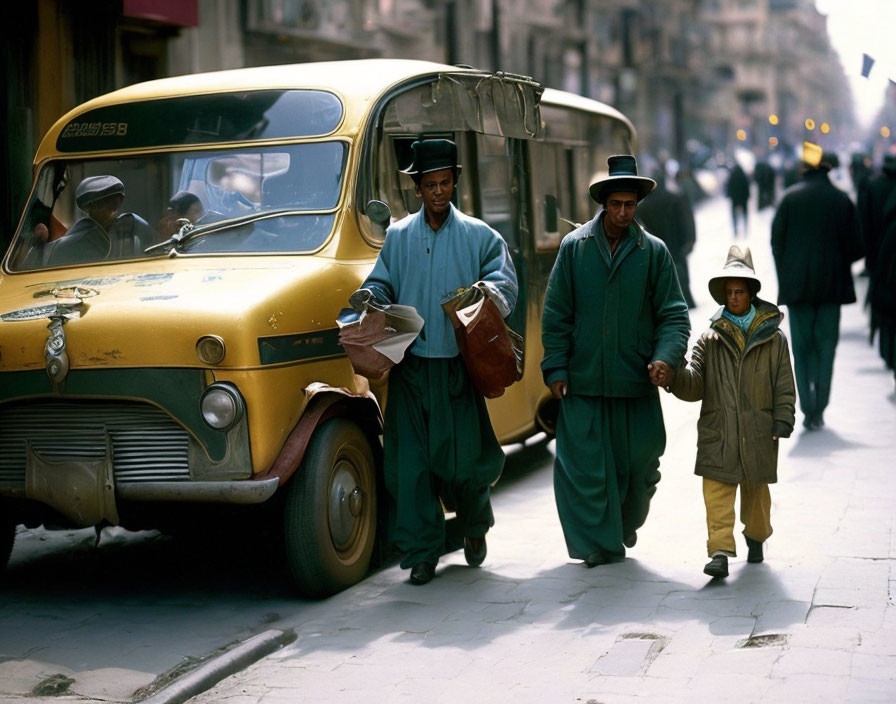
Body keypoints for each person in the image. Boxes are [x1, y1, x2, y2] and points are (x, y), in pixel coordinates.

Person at [351, 139, 518, 585]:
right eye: (430, 184)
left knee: (466, 464)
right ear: (417, 188)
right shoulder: (400, 237)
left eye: (445, 182)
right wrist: (372, 297)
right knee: (410, 467)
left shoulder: (481, 236)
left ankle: (474, 527)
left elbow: (505, 283)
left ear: (455, 183)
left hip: (458, 368)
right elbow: (381, 282)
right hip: (411, 367)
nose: (438, 191)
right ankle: (422, 553)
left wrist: (484, 295)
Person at [541, 154, 690, 567]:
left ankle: (624, 524)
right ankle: (598, 545)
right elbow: (556, 315)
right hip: (584, 381)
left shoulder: (653, 253)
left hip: (635, 381)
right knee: (586, 473)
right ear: (604, 204)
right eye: (617, 204)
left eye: (630, 205)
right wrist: (555, 367)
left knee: (640, 469)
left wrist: (665, 358)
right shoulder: (574, 249)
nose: (624, 212)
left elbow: (674, 316)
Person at [666, 246, 795, 578]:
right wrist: (674, 373)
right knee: (717, 492)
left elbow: (784, 382)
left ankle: (755, 537)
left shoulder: (774, 339)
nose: (734, 297)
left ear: (751, 293)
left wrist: (783, 418)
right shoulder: (709, 338)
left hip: (759, 428)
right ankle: (720, 551)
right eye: (729, 292)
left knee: (757, 495)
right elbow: (694, 385)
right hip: (719, 429)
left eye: (739, 291)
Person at [771, 150, 863, 430]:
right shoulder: (841, 200)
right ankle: (819, 408)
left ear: (804, 170)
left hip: (797, 291)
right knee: (826, 348)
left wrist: (787, 275)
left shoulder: (789, 199)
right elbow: (857, 247)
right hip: (831, 289)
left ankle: (807, 406)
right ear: (829, 170)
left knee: (802, 348)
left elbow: (777, 243)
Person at [634, 164, 698, 308]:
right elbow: (685, 220)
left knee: (661, 277)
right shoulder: (675, 198)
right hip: (676, 244)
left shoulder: (643, 206)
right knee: (681, 274)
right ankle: (686, 300)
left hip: (656, 246)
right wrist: (689, 240)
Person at [42, 175, 127, 266]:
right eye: (105, 204)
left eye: (116, 204)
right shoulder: (76, 241)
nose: (113, 210)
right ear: (91, 208)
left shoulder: (128, 230)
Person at [725, 162, 750, 237]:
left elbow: (729, 188)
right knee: (745, 215)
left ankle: (735, 231)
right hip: (743, 199)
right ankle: (745, 229)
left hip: (734, 199)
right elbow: (746, 187)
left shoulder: (732, 177)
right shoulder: (743, 176)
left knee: (734, 216)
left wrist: (729, 196)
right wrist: (747, 196)